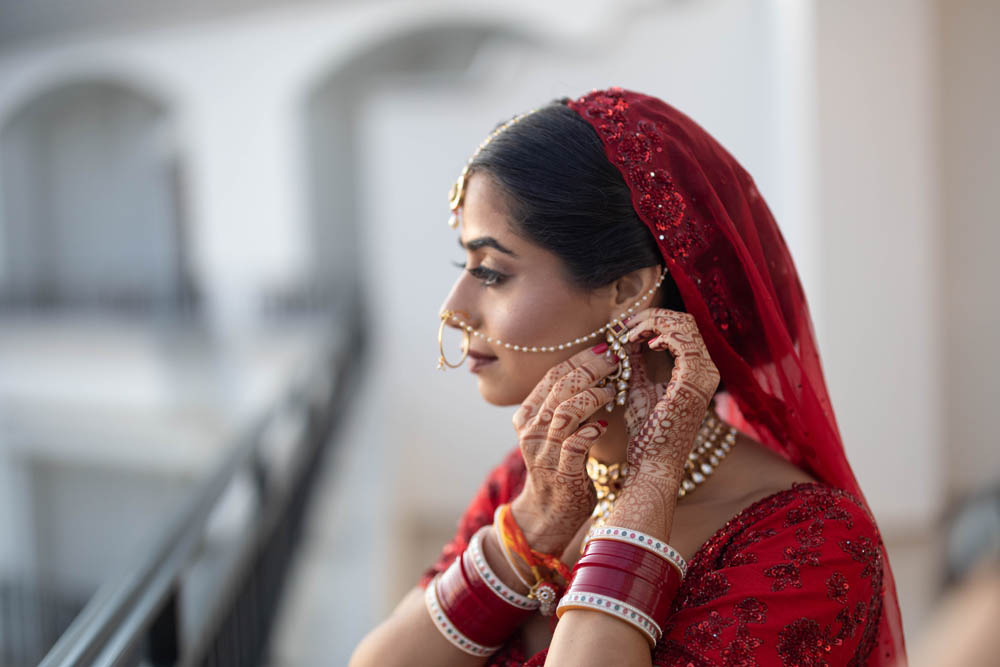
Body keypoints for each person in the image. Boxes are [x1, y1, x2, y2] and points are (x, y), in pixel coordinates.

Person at [349, 88, 907, 666]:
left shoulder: (807, 540)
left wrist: (645, 498)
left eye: (491, 272)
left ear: (627, 291)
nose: (453, 308)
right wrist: (529, 531)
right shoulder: (537, 478)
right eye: (461, 266)